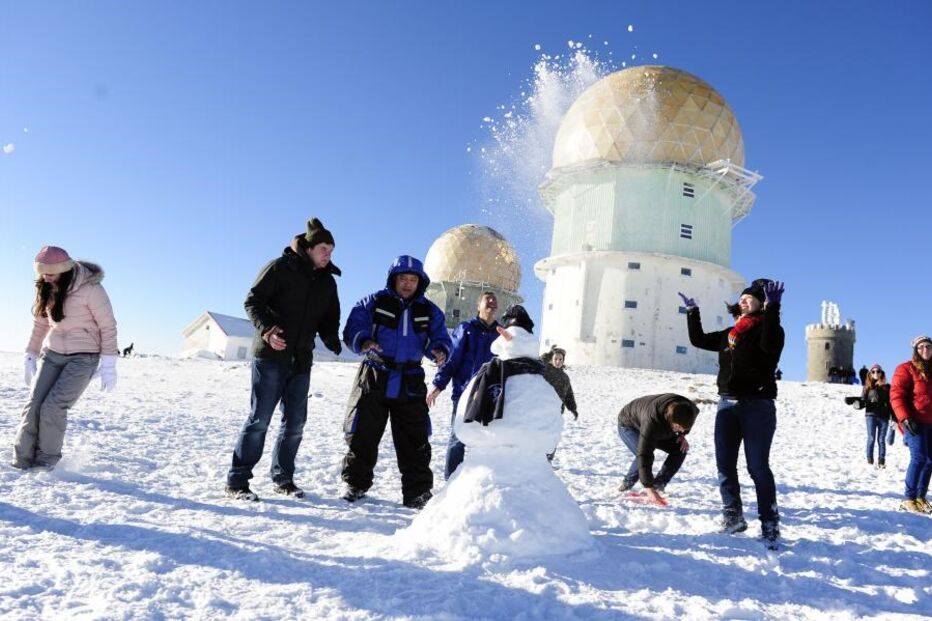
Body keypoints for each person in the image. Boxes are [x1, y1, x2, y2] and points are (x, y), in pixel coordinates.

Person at [225, 218, 342, 501]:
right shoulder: (280, 267)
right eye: (324, 248)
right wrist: (267, 330)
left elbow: (330, 317)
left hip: (301, 360)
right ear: (309, 247)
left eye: (331, 250)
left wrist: (331, 338)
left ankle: (283, 478)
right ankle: (237, 481)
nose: (328, 254)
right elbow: (252, 301)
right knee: (259, 420)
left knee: (294, 424)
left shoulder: (327, 283)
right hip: (270, 357)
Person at [680, 278, 786, 547]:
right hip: (727, 404)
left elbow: (770, 346)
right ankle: (733, 516)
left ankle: (770, 524)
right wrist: (693, 312)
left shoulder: (769, 330)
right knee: (725, 465)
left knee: (757, 467)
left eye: (750, 297)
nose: (743, 299)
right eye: (742, 297)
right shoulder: (730, 333)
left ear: (761, 303)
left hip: (757, 406)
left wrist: (773, 307)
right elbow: (698, 339)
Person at [340, 255, 452, 509]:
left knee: (415, 437)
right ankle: (356, 484)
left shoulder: (430, 310)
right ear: (394, 279)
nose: (408, 284)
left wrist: (440, 350)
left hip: (410, 379)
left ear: (420, 282)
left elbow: (441, 337)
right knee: (363, 432)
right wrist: (364, 341)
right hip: (374, 375)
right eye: (403, 278)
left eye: (413, 279)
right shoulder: (374, 301)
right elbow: (354, 326)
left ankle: (418, 492)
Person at [12, 246, 119, 470]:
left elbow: (108, 326)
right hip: (52, 354)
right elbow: (40, 323)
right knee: (34, 404)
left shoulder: (91, 289)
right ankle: (22, 458)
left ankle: (46, 461)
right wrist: (30, 353)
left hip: (83, 356)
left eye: (51, 273)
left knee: (53, 406)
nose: (46, 277)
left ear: (64, 268)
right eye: (43, 273)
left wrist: (109, 362)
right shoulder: (45, 286)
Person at [426, 291, 500, 480]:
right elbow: (452, 360)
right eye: (487, 299)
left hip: (490, 397)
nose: (491, 302)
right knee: (458, 439)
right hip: (465, 395)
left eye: (494, 300)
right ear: (478, 306)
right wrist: (438, 385)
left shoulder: (502, 334)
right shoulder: (466, 329)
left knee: (487, 442)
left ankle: (480, 484)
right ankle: (451, 482)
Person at [616, 394, 699, 505]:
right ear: (670, 418)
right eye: (678, 427)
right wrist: (648, 488)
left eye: (684, 428)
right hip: (630, 425)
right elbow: (644, 453)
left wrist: (682, 435)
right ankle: (627, 483)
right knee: (640, 453)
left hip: (660, 425)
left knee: (680, 449)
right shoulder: (652, 420)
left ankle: (659, 484)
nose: (681, 430)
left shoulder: (691, 410)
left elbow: (685, 425)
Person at [890, 336, 932, 514]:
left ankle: (920, 497)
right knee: (919, 458)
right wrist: (905, 418)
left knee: (930, 461)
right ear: (915, 350)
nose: (925, 350)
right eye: (921, 347)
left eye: (928, 347)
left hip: (930, 423)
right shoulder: (906, 368)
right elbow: (896, 395)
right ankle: (908, 498)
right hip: (913, 422)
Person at [540, 344, 579, 462]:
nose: (558, 361)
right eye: (555, 359)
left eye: (560, 359)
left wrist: (573, 409)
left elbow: (569, 395)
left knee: (553, 436)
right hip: (542, 410)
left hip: (557, 412)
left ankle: (548, 460)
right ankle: (538, 459)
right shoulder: (544, 371)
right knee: (541, 435)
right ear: (551, 359)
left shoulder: (564, 377)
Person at [862, 364, 893, 468]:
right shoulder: (867, 386)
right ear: (870, 373)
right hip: (871, 415)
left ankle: (881, 461)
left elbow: (891, 403)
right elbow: (863, 401)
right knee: (871, 438)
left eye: (878, 371)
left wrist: (894, 417)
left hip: (884, 416)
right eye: (873, 371)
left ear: (882, 373)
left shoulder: (887, 387)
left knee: (881, 439)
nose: (876, 373)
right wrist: (856, 402)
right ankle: (869, 460)